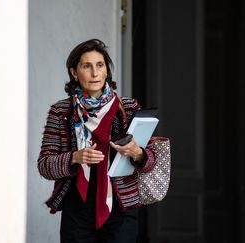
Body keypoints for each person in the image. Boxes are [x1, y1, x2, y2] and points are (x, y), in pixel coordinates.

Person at [37, 39, 157, 243]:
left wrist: (137, 152)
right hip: (77, 208)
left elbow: (151, 160)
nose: (94, 73)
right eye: (86, 66)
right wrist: (75, 157)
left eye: (100, 65)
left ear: (106, 71)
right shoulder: (61, 112)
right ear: (74, 72)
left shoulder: (128, 108)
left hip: (121, 208)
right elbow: (45, 166)